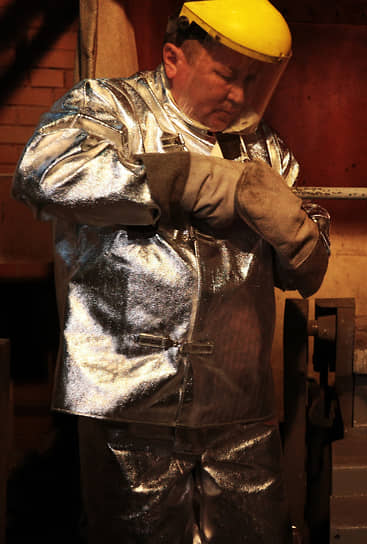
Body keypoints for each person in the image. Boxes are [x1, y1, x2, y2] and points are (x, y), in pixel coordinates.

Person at [12, 0, 330, 541]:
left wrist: (302, 240)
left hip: (239, 407)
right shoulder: (109, 108)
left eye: (254, 81)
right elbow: (45, 172)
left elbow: (307, 255)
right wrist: (187, 180)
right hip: (127, 402)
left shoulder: (265, 148)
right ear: (174, 58)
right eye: (227, 76)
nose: (240, 96)